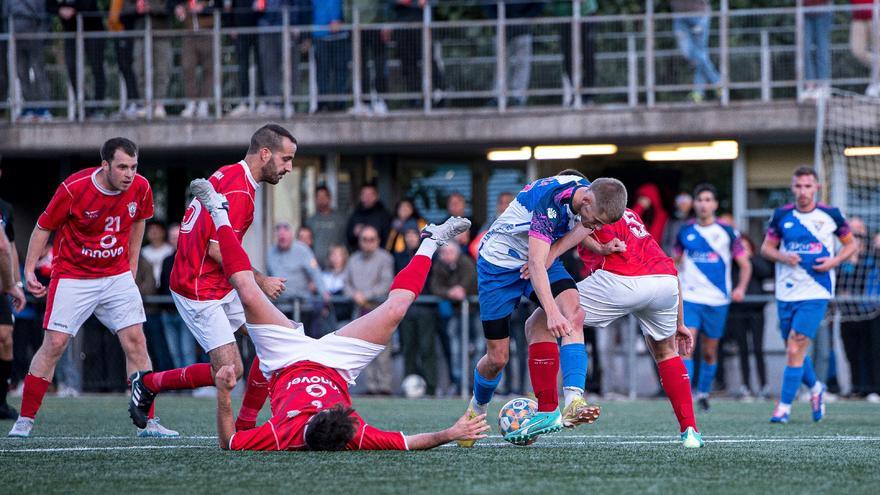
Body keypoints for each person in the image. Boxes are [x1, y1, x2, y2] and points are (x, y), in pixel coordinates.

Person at [184, 178, 485, 450]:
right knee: (395, 310)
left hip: (285, 359)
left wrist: (224, 395)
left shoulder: (284, 432)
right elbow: (407, 442)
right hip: (338, 364)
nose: (323, 406)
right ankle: (432, 240)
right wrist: (450, 432)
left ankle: (218, 211)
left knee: (247, 290)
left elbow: (230, 443)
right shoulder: (352, 432)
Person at [128, 125, 294, 433]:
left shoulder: (229, 173)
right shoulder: (240, 191)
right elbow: (218, 250)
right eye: (286, 159)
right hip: (198, 287)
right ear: (265, 153)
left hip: (218, 282)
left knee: (271, 338)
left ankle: (249, 425)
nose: (289, 167)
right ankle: (148, 383)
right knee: (230, 371)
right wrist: (261, 280)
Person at [8, 137, 176, 438]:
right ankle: (25, 419)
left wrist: (132, 263)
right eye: (122, 167)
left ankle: (148, 422)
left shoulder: (141, 187)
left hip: (115, 276)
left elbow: (140, 220)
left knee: (136, 340)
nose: (129, 174)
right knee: (55, 344)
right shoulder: (74, 188)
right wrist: (30, 270)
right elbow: (43, 227)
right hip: (73, 276)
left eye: (134, 167)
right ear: (105, 165)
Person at [461, 171, 628, 447]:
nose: (594, 225)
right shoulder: (549, 203)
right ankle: (475, 410)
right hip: (499, 266)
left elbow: (580, 227)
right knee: (497, 358)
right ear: (586, 200)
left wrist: (599, 247)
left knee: (574, 312)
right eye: (596, 221)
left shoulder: (587, 197)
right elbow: (536, 264)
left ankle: (568, 403)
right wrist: (550, 312)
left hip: (538, 257)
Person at [524, 207, 703, 448]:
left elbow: (579, 232)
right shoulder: (627, 213)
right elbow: (668, 266)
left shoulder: (582, 210)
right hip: (666, 283)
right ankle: (690, 431)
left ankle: (551, 409)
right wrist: (680, 323)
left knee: (540, 322)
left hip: (620, 279)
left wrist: (544, 259)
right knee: (666, 352)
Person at [761, 166, 857, 423]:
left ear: (817, 188)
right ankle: (816, 388)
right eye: (798, 186)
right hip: (786, 290)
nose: (803, 191)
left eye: (807, 186)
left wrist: (833, 262)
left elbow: (852, 244)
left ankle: (783, 408)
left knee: (795, 346)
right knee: (794, 351)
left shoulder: (831, 215)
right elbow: (766, 248)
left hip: (817, 289)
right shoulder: (781, 215)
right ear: (792, 188)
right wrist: (783, 256)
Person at [675, 184, 751, 412]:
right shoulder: (684, 231)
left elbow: (744, 264)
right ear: (694, 204)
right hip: (690, 298)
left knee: (710, 351)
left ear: (715, 204)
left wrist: (740, 288)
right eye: (700, 200)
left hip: (718, 300)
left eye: (708, 200)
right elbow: (674, 261)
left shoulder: (728, 232)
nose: (703, 204)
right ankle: (684, 397)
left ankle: (703, 393)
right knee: (686, 346)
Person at [343, 226, 394, 395]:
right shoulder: (353, 260)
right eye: (365, 239)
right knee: (363, 348)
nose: (368, 243)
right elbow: (346, 284)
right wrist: (355, 296)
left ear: (378, 241)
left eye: (372, 239)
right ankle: (371, 386)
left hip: (380, 309)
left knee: (383, 349)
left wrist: (366, 295)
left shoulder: (385, 258)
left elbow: (386, 283)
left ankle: (384, 386)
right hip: (360, 310)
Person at [430, 241, 477, 396]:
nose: (446, 255)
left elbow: (470, 282)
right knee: (456, 349)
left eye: (449, 252)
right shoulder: (439, 265)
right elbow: (435, 287)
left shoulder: (466, 262)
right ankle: (459, 383)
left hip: (475, 311)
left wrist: (461, 289)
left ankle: (477, 383)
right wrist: (450, 292)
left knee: (478, 347)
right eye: (443, 253)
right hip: (456, 313)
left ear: (457, 253)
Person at [266, 221, 328, 337]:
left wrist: (324, 293)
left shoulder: (303, 250)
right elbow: (267, 278)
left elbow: (315, 273)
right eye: (280, 235)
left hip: (303, 307)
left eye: (285, 232)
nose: (282, 236)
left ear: (291, 234)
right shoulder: (271, 253)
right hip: (280, 308)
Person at [396, 228, 436, 395]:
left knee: (427, 349)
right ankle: (408, 386)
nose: (410, 238)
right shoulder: (399, 257)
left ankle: (431, 387)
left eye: (413, 235)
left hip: (426, 309)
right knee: (408, 348)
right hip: (407, 309)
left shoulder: (431, 256)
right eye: (408, 235)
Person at [484, 1, 544, 107]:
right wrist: (500, 20)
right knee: (501, 63)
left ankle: (518, 97)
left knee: (522, 63)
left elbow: (539, 4)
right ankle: (498, 96)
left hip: (523, 28)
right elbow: (488, 6)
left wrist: (523, 19)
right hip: (501, 27)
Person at [54, 0, 107, 119]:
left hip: (93, 30)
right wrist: (59, 9)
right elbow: (49, 5)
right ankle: (85, 105)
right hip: (71, 32)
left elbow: (86, 4)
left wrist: (74, 9)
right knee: (71, 67)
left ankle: (98, 107)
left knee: (97, 67)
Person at [0, 185, 25, 419]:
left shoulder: (5, 208)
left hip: (1, 286)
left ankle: (1, 402)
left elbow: (9, 247)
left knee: (6, 337)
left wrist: (15, 284)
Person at [158, 223, 197, 369]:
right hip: (168, 311)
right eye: (172, 237)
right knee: (174, 351)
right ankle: (180, 385)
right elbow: (162, 284)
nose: (175, 240)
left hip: (185, 312)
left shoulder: (193, 257)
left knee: (187, 350)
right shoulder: (167, 260)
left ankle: (191, 384)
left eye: (177, 236)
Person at [174, 0, 220, 118]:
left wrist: (203, 9)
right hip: (189, 33)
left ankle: (204, 103)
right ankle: (191, 102)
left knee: (209, 69)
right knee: (188, 66)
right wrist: (180, 10)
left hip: (208, 32)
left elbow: (220, 6)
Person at [671, 0, 720, 103]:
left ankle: (698, 93)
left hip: (699, 14)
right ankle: (717, 82)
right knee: (690, 53)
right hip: (679, 16)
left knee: (700, 54)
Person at [11, 0, 52, 121]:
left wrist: (40, 37)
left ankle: (44, 108)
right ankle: (28, 107)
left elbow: (45, 18)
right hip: (15, 41)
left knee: (39, 72)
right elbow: (5, 16)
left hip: (35, 40)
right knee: (21, 73)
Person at [556, 0, 597, 107]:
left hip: (586, 14)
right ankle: (574, 94)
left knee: (589, 57)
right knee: (568, 59)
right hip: (565, 17)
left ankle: (587, 96)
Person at [311, 0, 349, 112]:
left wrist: (341, 21)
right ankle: (323, 103)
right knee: (322, 72)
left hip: (340, 35)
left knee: (340, 71)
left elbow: (348, 7)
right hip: (320, 34)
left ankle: (339, 103)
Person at [306, 185, 347, 268]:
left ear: (329, 198)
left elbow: (344, 242)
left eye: (323, 196)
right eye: (318, 196)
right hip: (316, 266)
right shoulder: (310, 221)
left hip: (336, 266)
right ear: (315, 199)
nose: (321, 199)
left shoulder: (340, 219)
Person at [345, 183, 392, 250]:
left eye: (370, 194)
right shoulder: (355, 214)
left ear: (376, 196)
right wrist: (354, 233)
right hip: (359, 256)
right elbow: (349, 239)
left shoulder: (384, 214)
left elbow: (388, 239)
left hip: (378, 255)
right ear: (360, 197)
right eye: (364, 194)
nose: (367, 197)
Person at [802, 0, 832, 99]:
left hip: (823, 10)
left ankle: (823, 86)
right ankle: (810, 86)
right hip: (806, 12)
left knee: (822, 50)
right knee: (804, 50)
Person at [850, 0, 880, 97]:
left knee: (878, 51)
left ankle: (875, 84)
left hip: (876, 16)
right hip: (858, 17)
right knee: (857, 51)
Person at [662, 192, 693, 256]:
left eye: (686, 202)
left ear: (691, 205)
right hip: (671, 258)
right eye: (680, 201)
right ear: (676, 204)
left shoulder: (694, 221)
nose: (683, 204)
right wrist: (671, 254)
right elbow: (664, 241)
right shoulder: (671, 221)